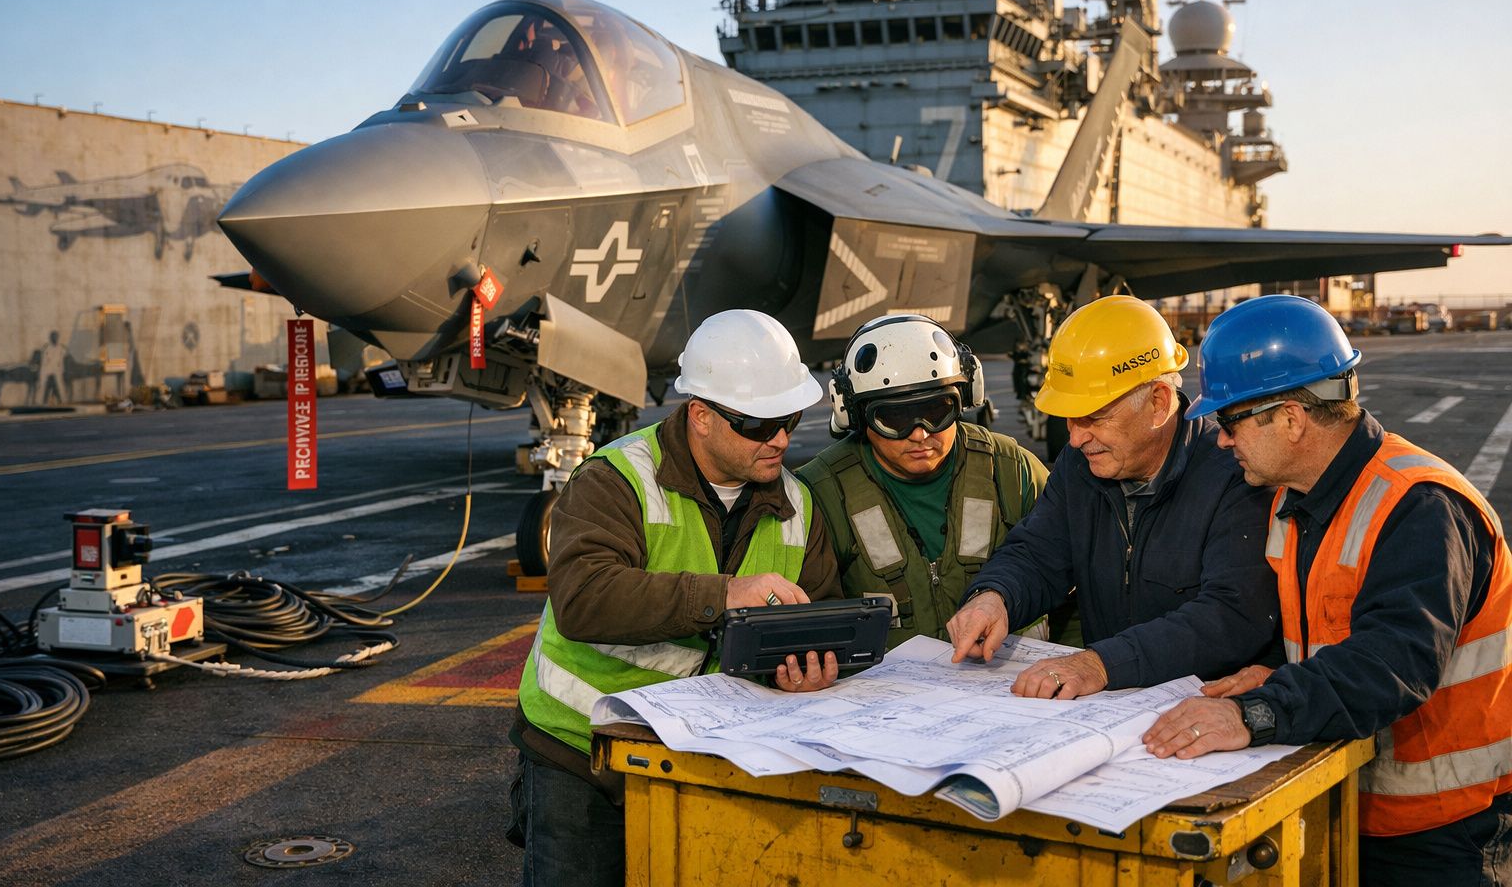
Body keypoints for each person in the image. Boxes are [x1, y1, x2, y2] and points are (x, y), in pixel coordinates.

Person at [1142, 295, 1511, 886]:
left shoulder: (1419, 507)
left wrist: (1256, 713)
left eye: (1231, 421)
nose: (1221, 441)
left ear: (1290, 418)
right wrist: (1274, 674)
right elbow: (1333, 637)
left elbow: (1392, 663)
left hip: (1443, 832)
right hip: (1348, 804)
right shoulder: (1297, 499)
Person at [510, 309, 843, 887]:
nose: (781, 440)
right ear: (701, 417)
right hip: (585, 754)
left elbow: (819, 614)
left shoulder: (799, 505)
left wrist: (809, 666)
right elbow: (583, 598)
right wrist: (726, 594)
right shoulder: (615, 479)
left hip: (712, 756)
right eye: (759, 425)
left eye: (788, 419)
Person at [946, 294, 1280, 698]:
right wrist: (994, 597)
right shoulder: (1081, 465)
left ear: (1158, 402)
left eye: (1094, 417)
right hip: (1112, 707)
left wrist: (1101, 663)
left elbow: (1230, 614)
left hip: (1209, 708)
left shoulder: (1236, 474)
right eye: (1069, 418)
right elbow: (1039, 551)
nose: (1075, 437)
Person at [797, 314, 1049, 646]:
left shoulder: (1011, 471)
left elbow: (1073, 588)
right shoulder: (823, 492)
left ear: (965, 397)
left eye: (936, 412)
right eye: (894, 418)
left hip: (1012, 686)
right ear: (854, 415)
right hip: (887, 694)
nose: (919, 434)